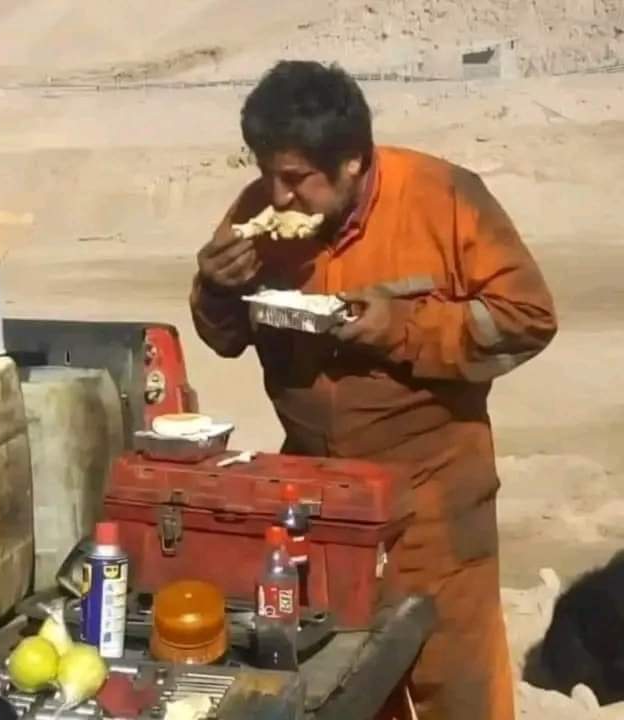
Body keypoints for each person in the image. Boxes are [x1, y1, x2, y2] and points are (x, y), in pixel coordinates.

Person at [189, 60, 557, 720]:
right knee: (342, 685)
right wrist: (216, 289)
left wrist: (405, 328)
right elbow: (224, 337)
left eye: (295, 178)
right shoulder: (259, 213)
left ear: (353, 162)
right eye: (265, 171)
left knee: (454, 689)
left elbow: (527, 319)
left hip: (434, 512)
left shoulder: (441, 198)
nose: (276, 195)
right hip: (318, 508)